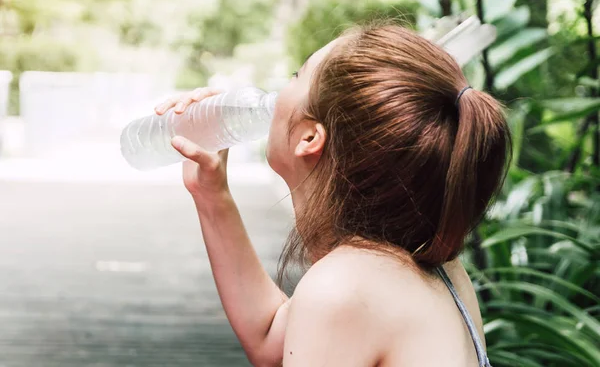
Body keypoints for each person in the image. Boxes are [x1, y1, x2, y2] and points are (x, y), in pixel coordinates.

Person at [154, 23, 510, 367]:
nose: (278, 92)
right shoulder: (431, 265)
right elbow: (269, 340)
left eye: (297, 74)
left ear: (309, 138)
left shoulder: (342, 289)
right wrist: (210, 191)